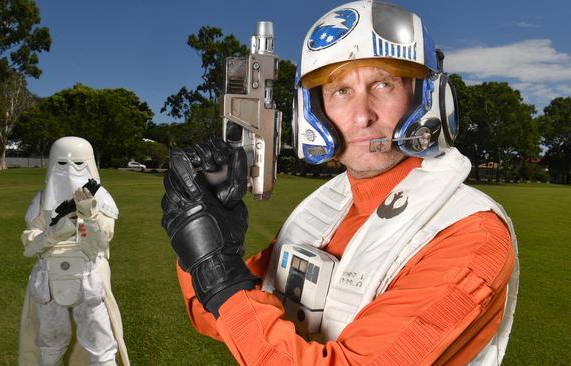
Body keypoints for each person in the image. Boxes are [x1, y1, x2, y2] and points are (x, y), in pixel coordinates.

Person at [161, 1, 518, 365]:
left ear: (427, 98)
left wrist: (220, 274)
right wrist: (206, 235)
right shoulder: (326, 209)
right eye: (341, 91)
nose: (363, 116)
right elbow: (221, 318)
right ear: (313, 112)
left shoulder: (470, 235)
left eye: (383, 83)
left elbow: (231, 303)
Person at [18, 136, 130, 366]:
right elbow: (30, 247)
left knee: (101, 345)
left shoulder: (101, 200)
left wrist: (89, 215)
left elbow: (100, 243)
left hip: (89, 276)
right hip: (48, 278)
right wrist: (53, 234)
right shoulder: (41, 202)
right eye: (62, 164)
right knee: (49, 344)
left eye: (78, 164)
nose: (70, 171)